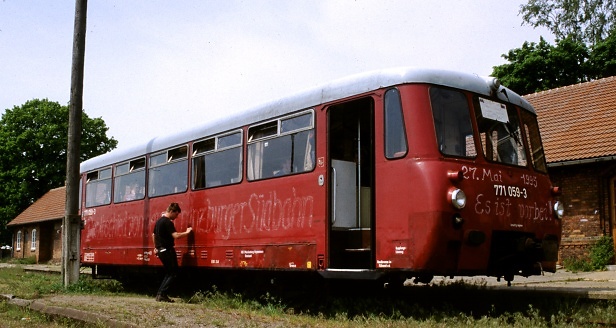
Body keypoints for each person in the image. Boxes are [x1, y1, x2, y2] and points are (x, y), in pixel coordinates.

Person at [152, 202, 192, 302]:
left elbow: (153, 235)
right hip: (167, 250)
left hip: (161, 250)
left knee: (169, 273)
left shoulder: (158, 221)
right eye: (176, 214)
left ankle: (160, 294)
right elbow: (176, 236)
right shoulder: (167, 222)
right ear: (171, 211)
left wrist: (156, 247)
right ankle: (162, 294)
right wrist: (187, 232)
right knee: (173, 273)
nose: (176, 217)